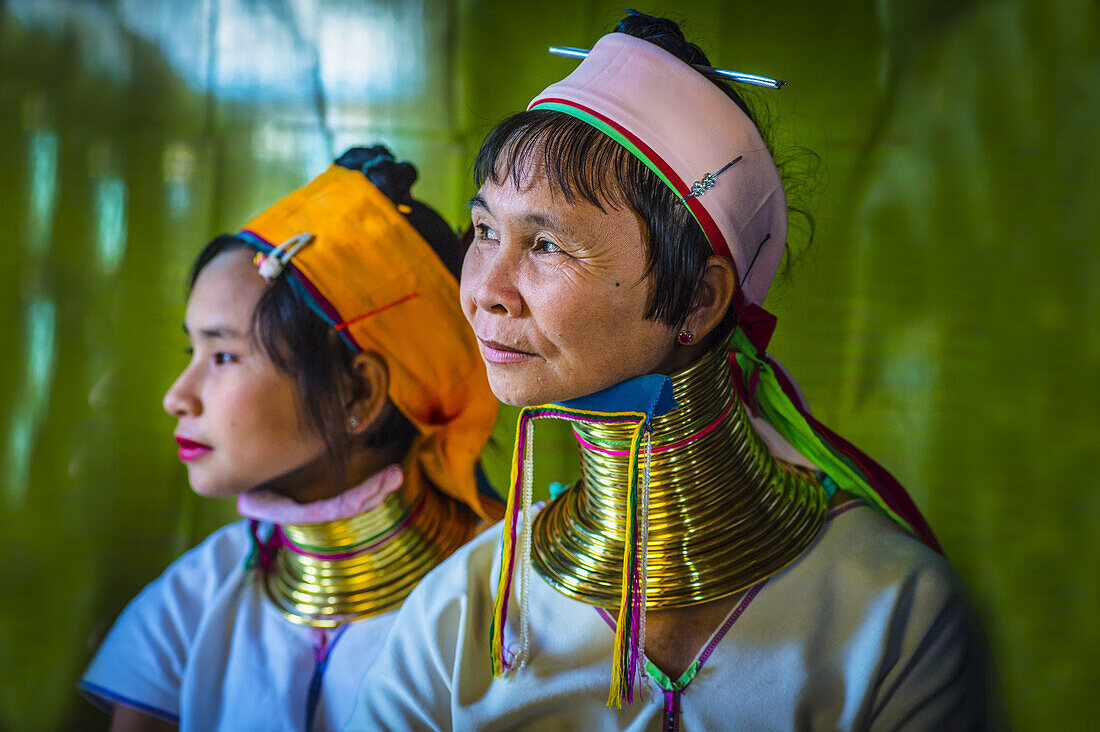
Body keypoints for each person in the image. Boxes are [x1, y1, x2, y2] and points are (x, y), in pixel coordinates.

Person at [346, 12, 997, 730]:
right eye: (486, 231)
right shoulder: (460, 614)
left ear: (699, 297)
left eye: (547, 246)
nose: (485, 289)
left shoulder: (893, 617)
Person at [79, 146, 501, 731]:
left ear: (358, 393)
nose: (178, 396)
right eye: (192, 350)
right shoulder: (194, 599)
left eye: (223, 355)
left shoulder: (506, 607)